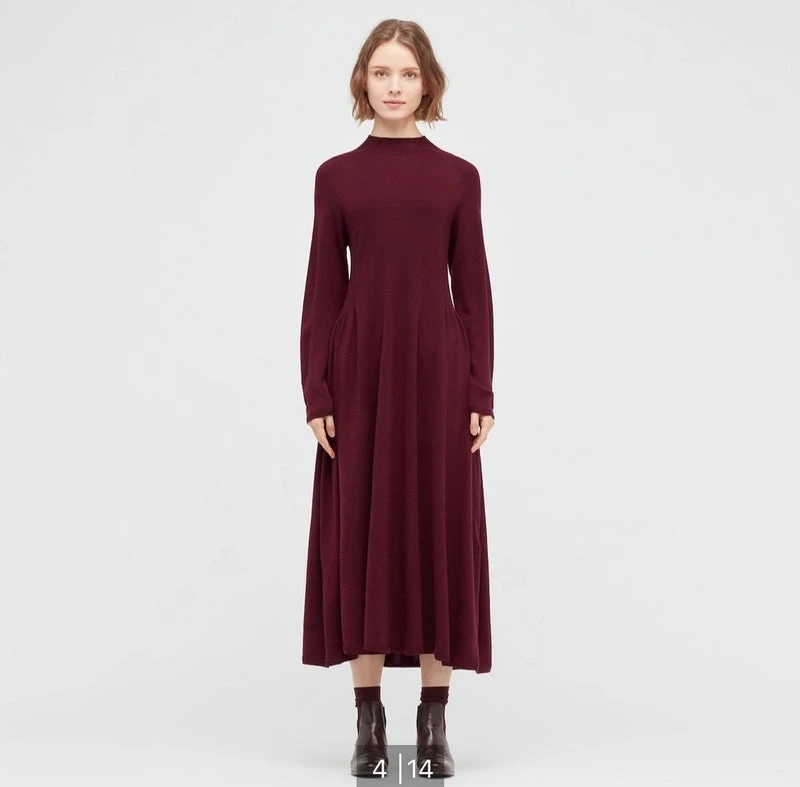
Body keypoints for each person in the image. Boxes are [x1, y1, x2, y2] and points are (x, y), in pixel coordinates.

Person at [299, 18, 496, 779]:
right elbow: (323, 288)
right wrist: (316, 387)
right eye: (381, 72)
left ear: (427, 83)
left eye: (407, 73)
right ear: (363, 80)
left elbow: (473, 290)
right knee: (362, 532)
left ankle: (434, 724)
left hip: (438, 373)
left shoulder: (458, 177)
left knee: (440, 526)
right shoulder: (336, 177)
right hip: (359, 375)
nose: (393, 85)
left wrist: (480, 385)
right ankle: (369, 722)